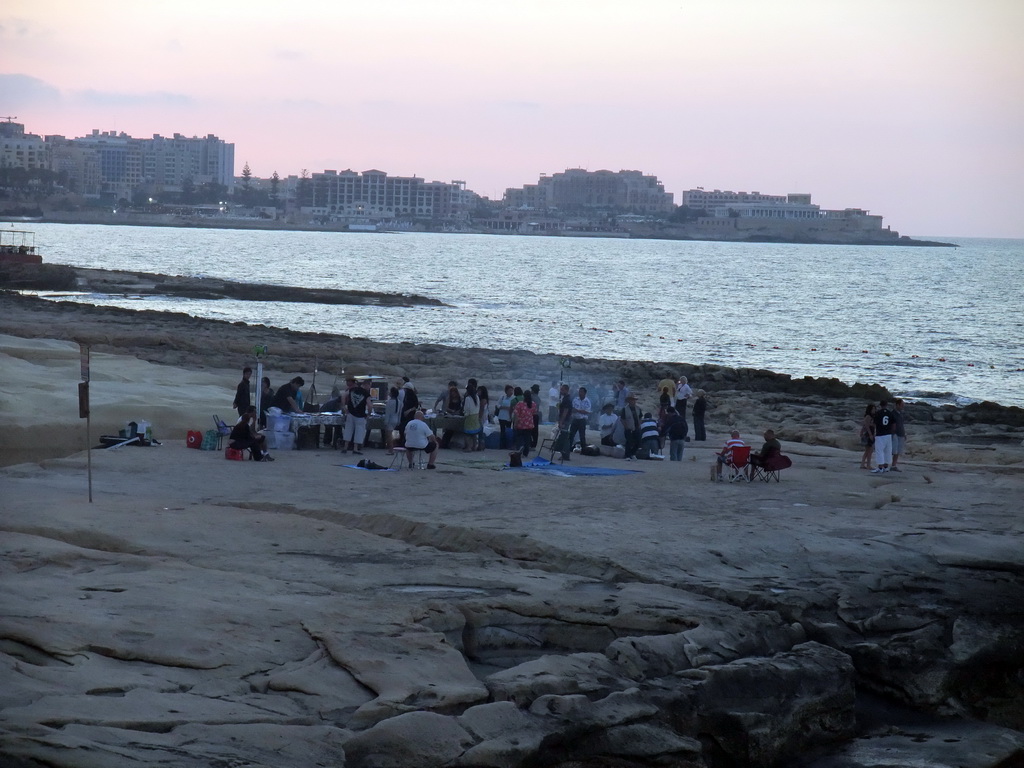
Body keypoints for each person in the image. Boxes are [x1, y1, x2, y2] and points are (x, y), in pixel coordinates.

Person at [341, 377, 370, 454]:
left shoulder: (352, 390)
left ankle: (345, 447)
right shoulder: (366, 393)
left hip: (350, 413)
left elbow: (343, 395)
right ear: (366, 385)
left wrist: (344, 407)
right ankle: (355, 448)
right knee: (359, 431)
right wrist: (369, 414)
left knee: (348, 429)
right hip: (360, 415)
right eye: (369, 385)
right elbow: (370, 405)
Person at [511, 390, 538, 459]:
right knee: (527, 439)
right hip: (529, 424)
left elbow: (516, 414)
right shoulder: (533, 404)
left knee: (519, 438)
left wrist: (515, 423)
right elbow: (534, 413)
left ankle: (520, 449)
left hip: (521, 423)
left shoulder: (520, 404)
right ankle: (525, 453)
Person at [872, 400, 896, 473]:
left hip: (880, 434)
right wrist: (892, 431)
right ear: (886, 405)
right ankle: (886, 466)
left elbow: (874, 424)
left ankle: (880, 467)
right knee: (887, 450)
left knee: (879, 450)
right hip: (888, 434)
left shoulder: (878, 413)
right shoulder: (890, 413)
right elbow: (894, 424)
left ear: (880, 405)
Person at [619, 394, 643, 460]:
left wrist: (639, 424)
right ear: (629, 401)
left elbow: (640, 417)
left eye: (634, 400)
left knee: (638, 441)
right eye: (632, 400)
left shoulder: (638, 408)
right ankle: (627, 455)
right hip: (628, 428)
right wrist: (626, 427)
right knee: (629, 442)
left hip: (636, 427)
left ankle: (633, 453)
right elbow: (622, 419)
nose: (634, 401)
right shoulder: (625, 409)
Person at [568, 386, 592, 451]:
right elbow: (572, 408)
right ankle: (569, 447)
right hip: (575, 419)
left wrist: (578, 410)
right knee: (571, 434)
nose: (580, 393)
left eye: (581, 392)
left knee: (582, 435)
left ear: (585, 393)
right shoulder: (575, 399)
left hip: (582, 420)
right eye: (579, 392)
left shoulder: (587, 401)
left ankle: (583, 449)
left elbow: (587, 411)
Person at [462, 380, 481, 453]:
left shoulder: (468, 398)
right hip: (476, 415)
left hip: (469, 417)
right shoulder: (477, 397)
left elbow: (467, 408)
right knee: (474, 433)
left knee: (467, 433)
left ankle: (468, 447)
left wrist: (465, 414)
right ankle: (474, 446)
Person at [556, 383, 573, 460]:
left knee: (565, 437)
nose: (561, 391)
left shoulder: (567, 399)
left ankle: (565, 454)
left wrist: (561, 421)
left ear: (566, 390)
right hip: (566, 420)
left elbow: (565, 411)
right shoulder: (565, 398)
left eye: (562, 389)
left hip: (565, 420)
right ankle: (564, 454)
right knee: (564, 436)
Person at [384, 386, 401, 455]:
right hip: (396, 419)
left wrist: (386, 422)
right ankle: (392, 448)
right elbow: (399, 413)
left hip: (390, 420)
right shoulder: (399, 402)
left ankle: (391, 450)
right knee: (392, 435)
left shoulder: (389, 402)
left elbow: (388, 413)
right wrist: (399, 421)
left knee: (389, 436)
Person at [496, 385, 515, 449]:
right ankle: (502, 445)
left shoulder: (513, 398)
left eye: (512, 390)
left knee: (508, 431)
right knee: (502, 431)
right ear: (506, 391)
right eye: (510, 390)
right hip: (501, 416)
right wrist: (503, 407)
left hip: (508, 417)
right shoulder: (502, 397)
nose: (511, 392)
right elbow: (498, 405)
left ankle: (508, 445)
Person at [891, 398, 907, 472]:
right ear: (897, 405)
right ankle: (886, 464)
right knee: (893, 450)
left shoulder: (901, 413)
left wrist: (904, 433)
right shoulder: (892, 413)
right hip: (894, 434)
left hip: (901, 433)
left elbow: (901, 424)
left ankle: (894, 465)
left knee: (898, 451)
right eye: (901, 405)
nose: (902, 406)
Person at [859, 403, 876, 470]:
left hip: (870, 433)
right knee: (869, 450)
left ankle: (863, 464)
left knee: (868, 450)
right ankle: (868, 464)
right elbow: (866, 426)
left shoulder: (871, 417)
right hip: (868, 434)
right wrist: (870, 435)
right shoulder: (868, 416)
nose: (874, 410)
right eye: (873, 409)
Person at [476, 385, 490, 451]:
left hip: (482, 417)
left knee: (480, 432)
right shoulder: (483, 399)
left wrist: (479, 417)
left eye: (479, 390)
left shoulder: (483, 400)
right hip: (483, 416)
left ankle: (481, 446)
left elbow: (481, 409)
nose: (478, 392)